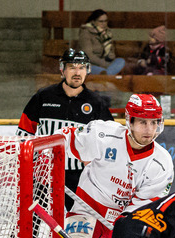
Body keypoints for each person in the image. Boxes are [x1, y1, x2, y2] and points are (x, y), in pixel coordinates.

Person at [57, 94, 175, 238]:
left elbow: (143, 210)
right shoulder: (103, 135)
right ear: (129, 121)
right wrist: (40, 154)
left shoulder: (161, 164)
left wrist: (122, 232)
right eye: (142, 122)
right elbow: (63, 140)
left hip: (125, 220)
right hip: (88, 209)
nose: (149, 130)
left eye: (154, 122)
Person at [16, 48, 113, 206]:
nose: (77, 72)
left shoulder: (96, 103)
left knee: (77, 224)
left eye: (81, 67)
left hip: (79, 176)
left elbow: (108, 140)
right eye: (72, 67)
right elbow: (24, 133)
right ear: (62, 69)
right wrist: (28, 166)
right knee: (30, 220)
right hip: (44, 173)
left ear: (87, 70)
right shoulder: (43, 97)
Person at [77, 9, 125, 76]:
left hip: (105, 63)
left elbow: (111, 51)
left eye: (105, 21)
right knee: (100, 70)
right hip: (90, 64)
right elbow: (88, 55)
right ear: (94, 21)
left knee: (121, 61)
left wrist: (111, 56)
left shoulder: (107, 33)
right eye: (101, 21)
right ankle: (107, 75)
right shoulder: (85, 32)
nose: (104, 24)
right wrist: (104, 64)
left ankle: (106, 74)